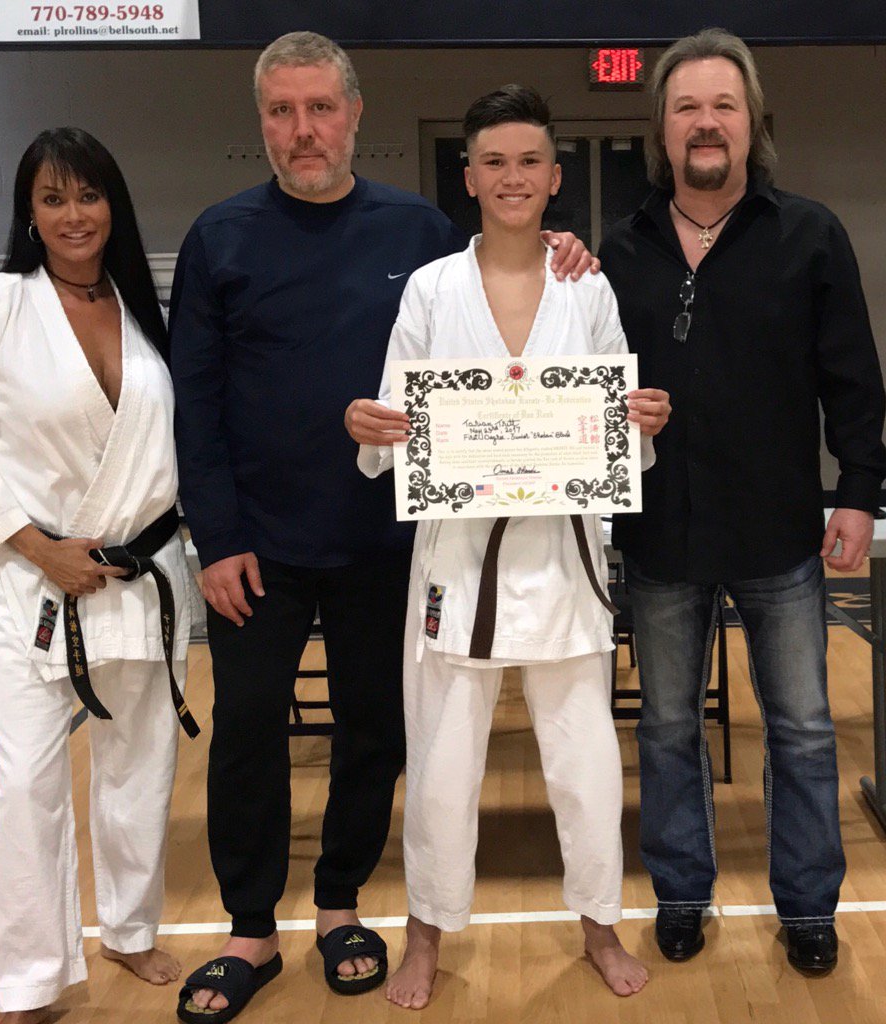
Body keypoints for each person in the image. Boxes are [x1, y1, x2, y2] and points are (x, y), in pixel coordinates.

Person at [168, 32, 595, 1023]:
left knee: (374, 730)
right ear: (262, 122)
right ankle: (249, 927)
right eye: (282, 111)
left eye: (320, 108)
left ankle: (339, 904)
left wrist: (564, 250)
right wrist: (217, 538)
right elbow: (195, 402)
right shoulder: (219, 238)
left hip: (390, 542)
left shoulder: (416, 230)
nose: (303, 129)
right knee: (246, 733)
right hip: (257, 547)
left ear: (355, 115)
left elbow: (498, 289)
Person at [346, 85, 671, 1008]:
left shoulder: (587, 286)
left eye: (530, 161)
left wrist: (641, 418)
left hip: (562, 559)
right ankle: (424, 935)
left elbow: (619, 433)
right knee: (440, 767)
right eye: (494, 161)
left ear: (556, 177)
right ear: (469, 177)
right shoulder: (431, 288)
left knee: (587, 764)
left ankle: (599, 924)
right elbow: (393, 425)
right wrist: (371, 426)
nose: (513, 177)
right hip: (456, 564)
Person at [598, 28, 886, 974]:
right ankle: (681, 894)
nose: (706, 122)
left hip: (779, 534)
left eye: (724, 105)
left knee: (802, 728)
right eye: (687, 107)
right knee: (666, 728)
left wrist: (859, 492)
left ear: (753, 121)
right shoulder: (618, 250)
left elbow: (854, 383)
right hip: (660, 535)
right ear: (661, 128)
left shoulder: (810, 234)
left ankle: (808, 906)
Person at [0, 127, 199, 1023]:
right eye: (52, 199)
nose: (73, 214)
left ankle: (129, 928)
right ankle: (33, 976)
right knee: (30, 782)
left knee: (141, 765)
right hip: (33, 580)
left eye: (88, 195)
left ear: (113, 204)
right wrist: (41, 548)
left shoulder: (141, 310)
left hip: (143, 572)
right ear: (28, 213)